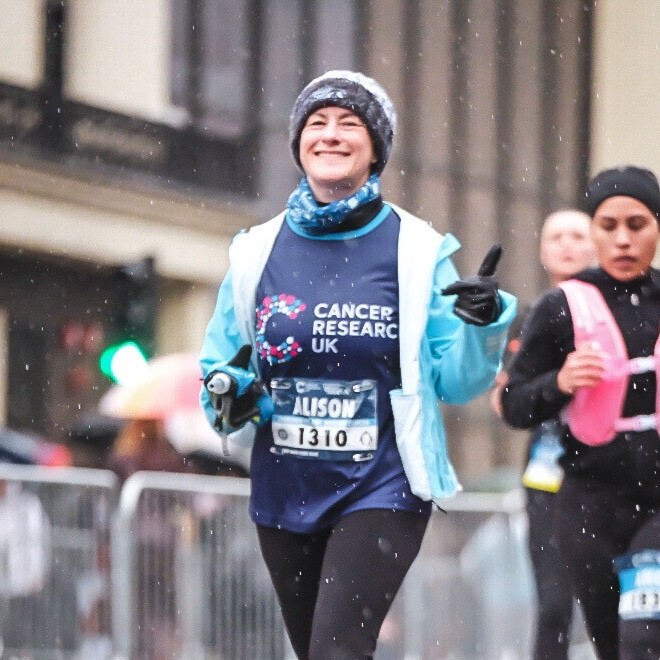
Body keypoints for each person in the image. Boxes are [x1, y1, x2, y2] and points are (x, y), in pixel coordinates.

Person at [199, 69, 517, 660]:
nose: (330, 134)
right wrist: (230, 395)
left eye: (349, 123)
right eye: (316, 123)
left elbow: (456, 382)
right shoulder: (255, 251)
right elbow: (221, 364)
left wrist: (484, 324)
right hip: (285, 485)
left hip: (381, 484)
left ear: (375, 150)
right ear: (298, 144)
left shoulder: (417, 249)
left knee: (337, 651)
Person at [501, 166, 660, 660]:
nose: (623, 239)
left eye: (637, 225)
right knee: (598, 637)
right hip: (586, 503)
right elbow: (514, 405)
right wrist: (561, 382)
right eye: (608, 226)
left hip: (656, 502)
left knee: (642, 639)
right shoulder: (558, 308)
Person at [491, 209, 596, 660]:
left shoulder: (619, 312)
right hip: (547, 477)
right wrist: (554, 385)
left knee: (617, 606)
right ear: (541, 250)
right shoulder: (528, 321)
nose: (567, 245)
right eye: (556, 236)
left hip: (613, 474)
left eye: (577, 235)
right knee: (553, 606)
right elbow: (504, 402)